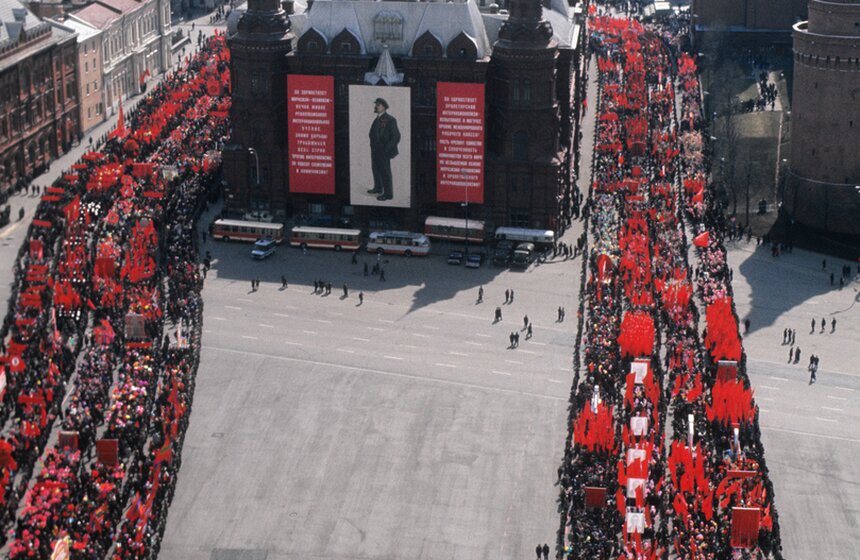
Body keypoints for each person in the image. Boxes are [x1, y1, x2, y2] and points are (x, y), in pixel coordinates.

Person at [366, 98, 400, 201]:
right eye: (376, 105)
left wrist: (386, 149)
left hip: (384, 151)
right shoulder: (377, 119)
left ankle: (388, 194)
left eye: (378, 105)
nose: (376, 106)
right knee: (376, 169)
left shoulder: (390, 120)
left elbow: (396, 136)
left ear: (384, 107)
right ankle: (378, 188)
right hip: (375, 150)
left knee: (385, 172)